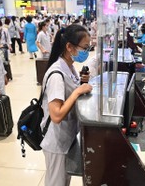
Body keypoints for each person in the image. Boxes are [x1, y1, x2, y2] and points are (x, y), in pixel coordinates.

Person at [40, 24, 93, 186]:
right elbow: (56, 115)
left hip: (66, 137)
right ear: (69, 46)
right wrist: (78, 92)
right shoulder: (57, 74)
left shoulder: (69, 66)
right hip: (56, 142)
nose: (87, 51)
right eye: (84, 47)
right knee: (57, 182)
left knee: (64, 180)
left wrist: (81, 84)